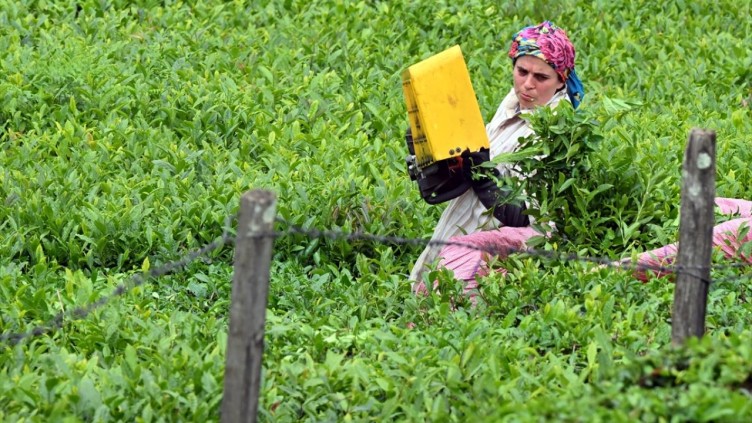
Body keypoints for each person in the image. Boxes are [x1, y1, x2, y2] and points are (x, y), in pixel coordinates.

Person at [409, 21, 585, 290]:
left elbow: (534, 225)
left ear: (561, 79)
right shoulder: (513, 103)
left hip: (490, 266)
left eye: (541, 77)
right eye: (522, 71)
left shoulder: (558, 132)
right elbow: (478, 167)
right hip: (458, 232)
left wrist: (484, 175)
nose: (527, 84)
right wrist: (437, 163)